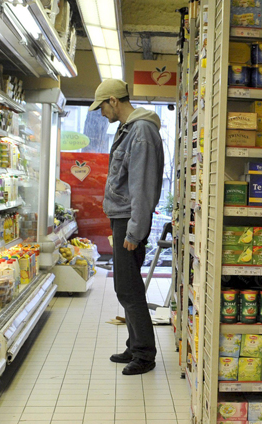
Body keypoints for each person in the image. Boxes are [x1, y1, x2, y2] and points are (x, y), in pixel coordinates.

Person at [90, 79, 165, 375]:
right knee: (124, 285)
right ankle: (134, 345)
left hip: (128, 220)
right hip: (121, 218)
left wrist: (135, 231)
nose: (101, 113)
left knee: (129, 288)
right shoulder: (129, 130)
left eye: (102, 107)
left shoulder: (142, 132)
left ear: (113, 100)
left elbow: (142, 186)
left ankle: (145, 355)